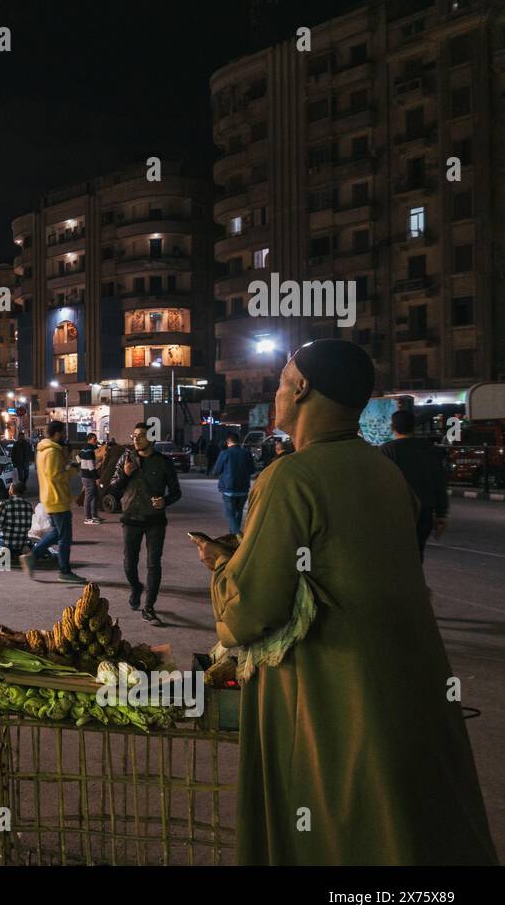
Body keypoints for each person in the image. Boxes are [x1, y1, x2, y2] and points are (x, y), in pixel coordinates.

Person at [193, 339, 495, 865]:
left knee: (333, 832)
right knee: (403, 828)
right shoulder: (384, 472)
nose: (278, 391)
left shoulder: (290, 477)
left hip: (330, 697)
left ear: (302, 388)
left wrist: (223, 567)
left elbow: (249, 611)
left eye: (283, 379)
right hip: (407, 688)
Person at [105, 422, 182, 626]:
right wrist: (125, 474)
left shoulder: (163, 462)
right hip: (130, 519)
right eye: (134, 435)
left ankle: (149, 607)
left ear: (151, 439)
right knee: (129, 564)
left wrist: (165, 500)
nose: (136, 439)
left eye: (141, 435)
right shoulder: (126, 459)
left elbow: (176, 491)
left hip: (155, 521)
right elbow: (112, 487)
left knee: (153, 564)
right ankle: (136, 587)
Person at [20, 421, 85, 583]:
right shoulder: (52, 452)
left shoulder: (44, 450)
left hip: (52, 498)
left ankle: (32, 557)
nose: (65, 436)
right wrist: (72, 470)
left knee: (57, 532)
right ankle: (64, 571)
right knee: (65, 538)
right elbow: (56, 476)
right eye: (63, 432)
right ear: (56, 433)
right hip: (57, 498)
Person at [381, 409, 448, 560]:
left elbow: (380, 485)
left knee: (398, 557)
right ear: (414, 427)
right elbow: (439, 483)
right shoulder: (430, 450)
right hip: (424, 513)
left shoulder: (387, 450)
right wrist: (441, 515)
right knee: (417, 554)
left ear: (393, 427)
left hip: (398, 513)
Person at [210, 434, 255, 535]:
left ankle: (236, 533)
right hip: (243, 489)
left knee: (230, 513)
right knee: (238, 513)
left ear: (228, 442)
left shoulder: (224, 453)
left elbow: (216, 470)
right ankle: (233, 536)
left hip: (228, 489)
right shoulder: (246, 453)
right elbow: (252, 470)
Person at [0, 480, 34, 559]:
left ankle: (2, 551)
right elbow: (29, 526)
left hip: (7, 541)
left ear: (11, 490)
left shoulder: (5, 504)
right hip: (22, 541)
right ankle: (21, 551)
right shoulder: (28, 505)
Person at [78, 433, 101, 525]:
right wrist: (97, 477)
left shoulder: (84, 448)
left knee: (94, 495)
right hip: (89, 476)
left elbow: (77, 457)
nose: (96, 441)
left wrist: (82, 465)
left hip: (85, 475)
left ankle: (94, 516)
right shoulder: (89, 450)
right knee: (89, 497)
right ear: (90, 439)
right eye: (94, 439)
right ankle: (88, 518)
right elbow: (91, 466)